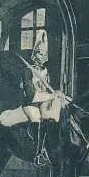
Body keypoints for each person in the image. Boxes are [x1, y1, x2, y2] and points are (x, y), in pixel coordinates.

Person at [20, 31, 65, 166]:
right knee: (38, 118)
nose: (44, 56)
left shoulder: (45, 72)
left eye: (45, 54)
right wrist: (51, 96)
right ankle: (38, 154)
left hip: (44, 101)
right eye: (41, 53)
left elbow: (47, 88)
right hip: (30, 103)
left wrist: (57, 94)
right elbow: (31, 94)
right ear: (34, 55)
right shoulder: (27, 71)